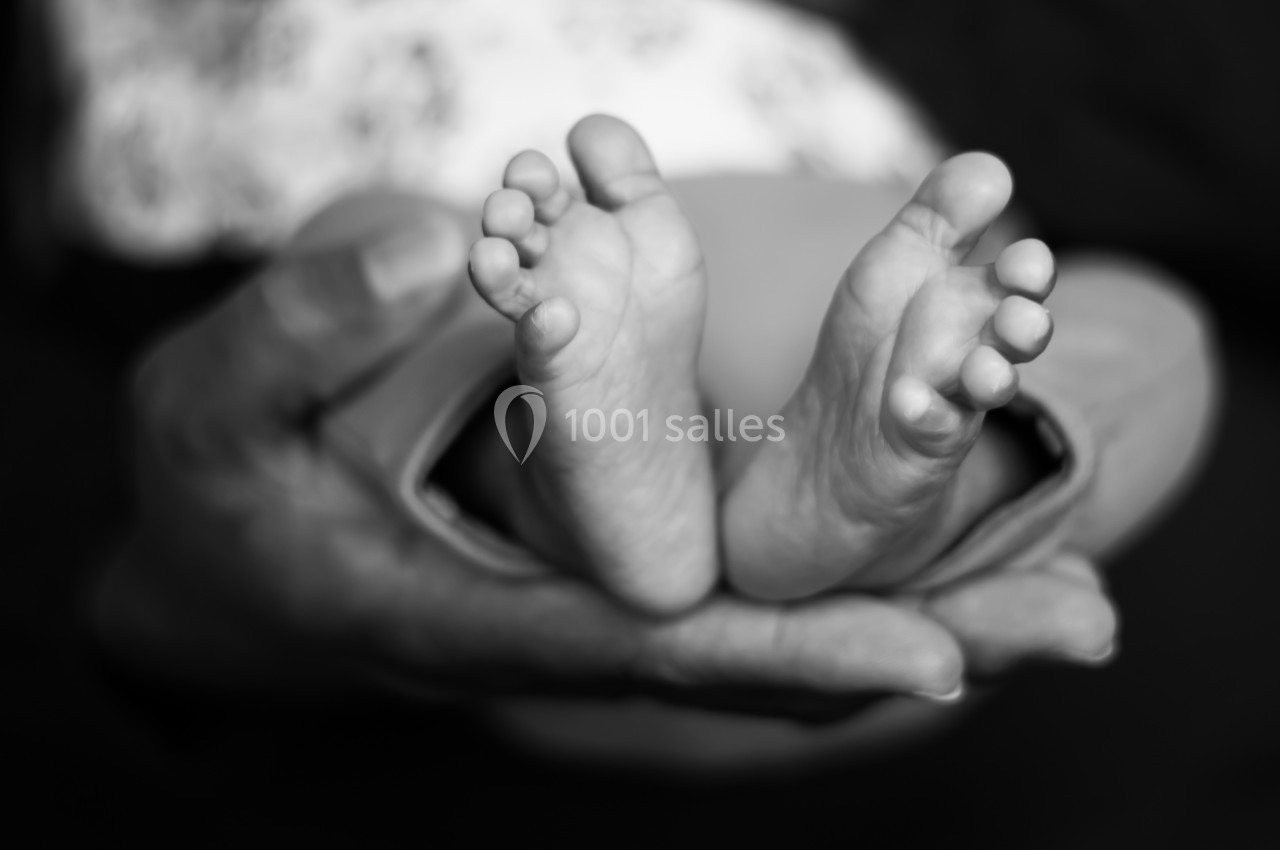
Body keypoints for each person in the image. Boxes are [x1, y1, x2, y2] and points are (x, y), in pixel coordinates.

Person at [44, 0, 1215, 766]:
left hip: (502, 196)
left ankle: (564, 474)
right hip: (795, 198)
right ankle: (951, 467)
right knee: (1133, 333)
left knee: (433, 298)